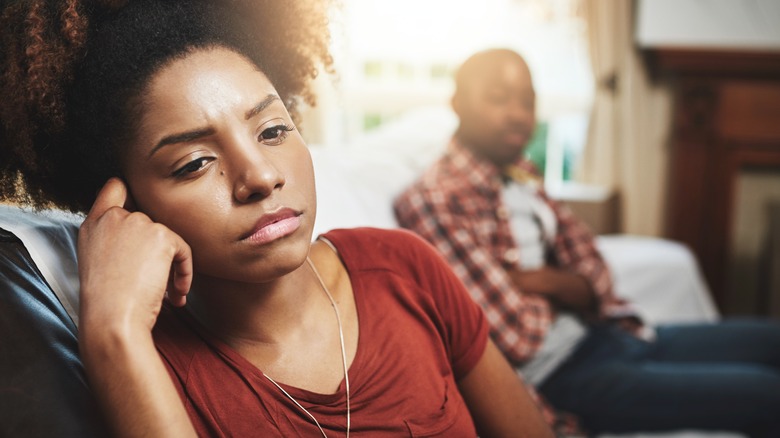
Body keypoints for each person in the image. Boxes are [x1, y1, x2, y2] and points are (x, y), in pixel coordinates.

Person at [0, 3, 554, 437]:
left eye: (272, 131)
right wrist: (114, 335)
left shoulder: (405, 267)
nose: (260, 176)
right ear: (129, 208)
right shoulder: (146, 368)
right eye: (194, 163)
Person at [393, 47, 780, 437]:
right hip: (567, 375)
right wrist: (570, 286)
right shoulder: (436, 199)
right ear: (457, 103)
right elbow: (519, 336)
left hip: (614, 332)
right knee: (767, 394)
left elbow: (596, 270)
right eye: (498, 98)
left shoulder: (521, 171)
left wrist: (541, 281)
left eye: (528, 101)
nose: (518, 114)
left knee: (772, 339)